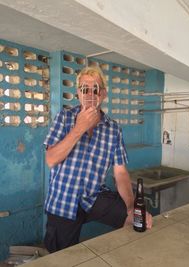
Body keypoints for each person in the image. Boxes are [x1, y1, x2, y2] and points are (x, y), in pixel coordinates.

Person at [44, 66, 152, 253]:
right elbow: (51, 159)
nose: (90, 94)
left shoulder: (113, 128)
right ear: (78, 93)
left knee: (133, 218)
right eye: (84, 88)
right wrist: (79, 127)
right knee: (60, 256)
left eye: (95, 89)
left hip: (93, 196)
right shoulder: (64, 118)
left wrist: (131, 207)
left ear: (103, 94)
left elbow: (120, 172)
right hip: (63, 198)